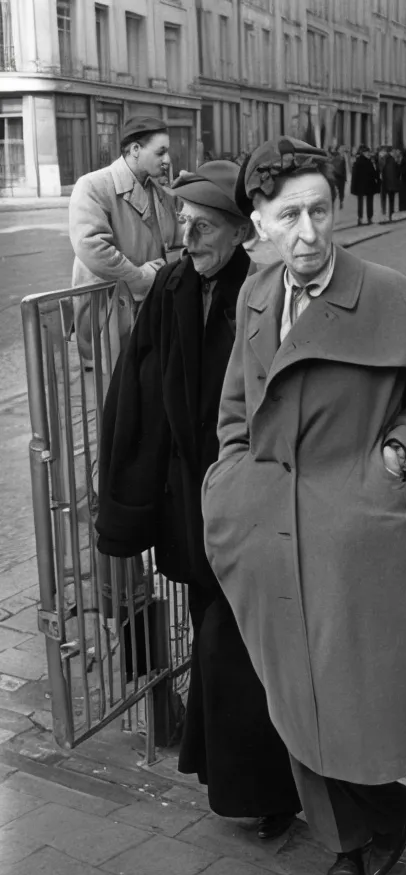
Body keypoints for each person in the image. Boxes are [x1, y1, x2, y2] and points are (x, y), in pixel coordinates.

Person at [201, 137, 406, 875]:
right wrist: (231, 479)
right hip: (266, 525)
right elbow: (237, 403)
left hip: (351, 530)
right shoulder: (254, 294)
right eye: (287, 214)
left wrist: (396, 461)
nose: (308, 231)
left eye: (320, 210)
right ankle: (343, 836)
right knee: (293, 689)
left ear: (339, 208)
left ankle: (383, 813)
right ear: (257, 221)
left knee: (354, 694)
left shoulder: (386, 293)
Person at [95, 161, 301, 838]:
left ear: (241, 231)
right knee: (215, 629)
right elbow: (137, 392)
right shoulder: (173, 286)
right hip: (190, 504)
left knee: (236, 641)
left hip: (249, 502)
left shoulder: (265, 289)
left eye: (204, 226)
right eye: (184, 223)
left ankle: (263, 789)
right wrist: (128, 504)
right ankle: (228, 772)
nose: (189, 238)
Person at [69, 115, 181, 367]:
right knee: (114, 396)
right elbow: (93, 248)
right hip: (109, 314)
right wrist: (141, 278)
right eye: (161, 152)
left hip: (149, 314)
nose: (167, 160)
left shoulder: (161, 192)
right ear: (135, 150)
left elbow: (175, 241)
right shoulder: (93, 186)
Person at [350, 144, 379, 225]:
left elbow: (373, 173)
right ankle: (365, 218)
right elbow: (355, 175)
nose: (368, 154)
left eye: (368, 152)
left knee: (365, 202)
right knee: (365, 202)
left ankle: (365, 218)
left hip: (365, 185)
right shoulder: (363, 162)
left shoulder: (364, 161)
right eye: (367, 152)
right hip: (365, 185)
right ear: (363, 153)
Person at [380, 145, 401, 222]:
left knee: (386, 200)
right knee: (391, 200)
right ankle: (390, 215)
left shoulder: (386, 159)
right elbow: (394, 173)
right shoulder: (391, 160)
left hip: (386, 183)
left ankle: (387, 215)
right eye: (394, 151)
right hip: (391, 184)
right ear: (391, 152)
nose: (395, 153)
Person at [329, 143, 347, 209]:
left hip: (341, 176)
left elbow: (345, 168)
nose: (342, 149)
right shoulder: (335, 155)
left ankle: (341, 201)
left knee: (341, 190)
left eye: (343, 148)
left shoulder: (344, 156)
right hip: (335, 175)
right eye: (341, 148)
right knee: (334, 190)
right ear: (338, 149)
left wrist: (345, 177)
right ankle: (333, 202)